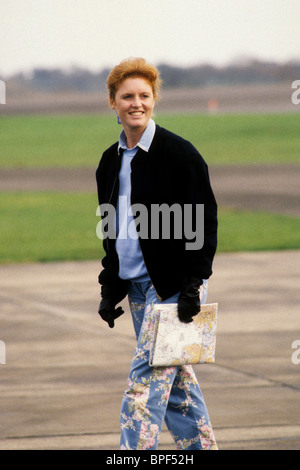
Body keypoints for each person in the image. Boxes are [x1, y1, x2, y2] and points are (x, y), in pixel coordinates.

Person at [96, 57, 218, 450]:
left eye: (144, 96)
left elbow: (202, 223)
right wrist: (109, 287)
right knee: (177, 388)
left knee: (143, 389)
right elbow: (111, 230)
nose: (136, 103)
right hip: (135, 287)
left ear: (154, 100)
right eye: (127, 96)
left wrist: (193, 284)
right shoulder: (109, 162)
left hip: (170, 289)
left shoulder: (179, 154)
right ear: (112, 102)